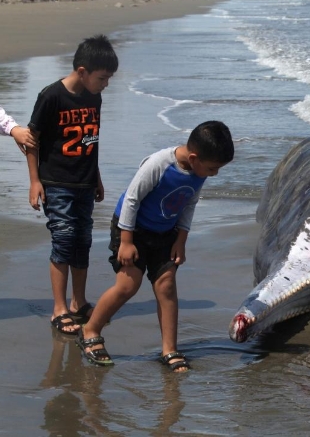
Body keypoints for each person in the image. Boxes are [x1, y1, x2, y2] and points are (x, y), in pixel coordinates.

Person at [76, 121, 234, 373]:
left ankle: (169, 348)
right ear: (194, 158)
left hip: (166, 233)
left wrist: (181, 240)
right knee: (128, 285)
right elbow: (131, 199)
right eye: (213, 168)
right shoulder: (159, 164)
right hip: (132, 229)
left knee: (167, 285)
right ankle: (90, 330)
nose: (214, 174)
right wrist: (126, 241)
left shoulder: (198, 172)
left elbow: (189, 204)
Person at [25, 35, 118, 335]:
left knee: (83, 241)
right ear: (82, 71)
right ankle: (59, 308)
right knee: (63, 240)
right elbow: (31, 140)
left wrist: (98, 177)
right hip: (56, 182)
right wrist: (34, 181)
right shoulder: (51, 96)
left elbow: (93, 139)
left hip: (85, 182)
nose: (106, 84)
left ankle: (79, 302)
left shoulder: (95, 97)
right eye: (102, 78)